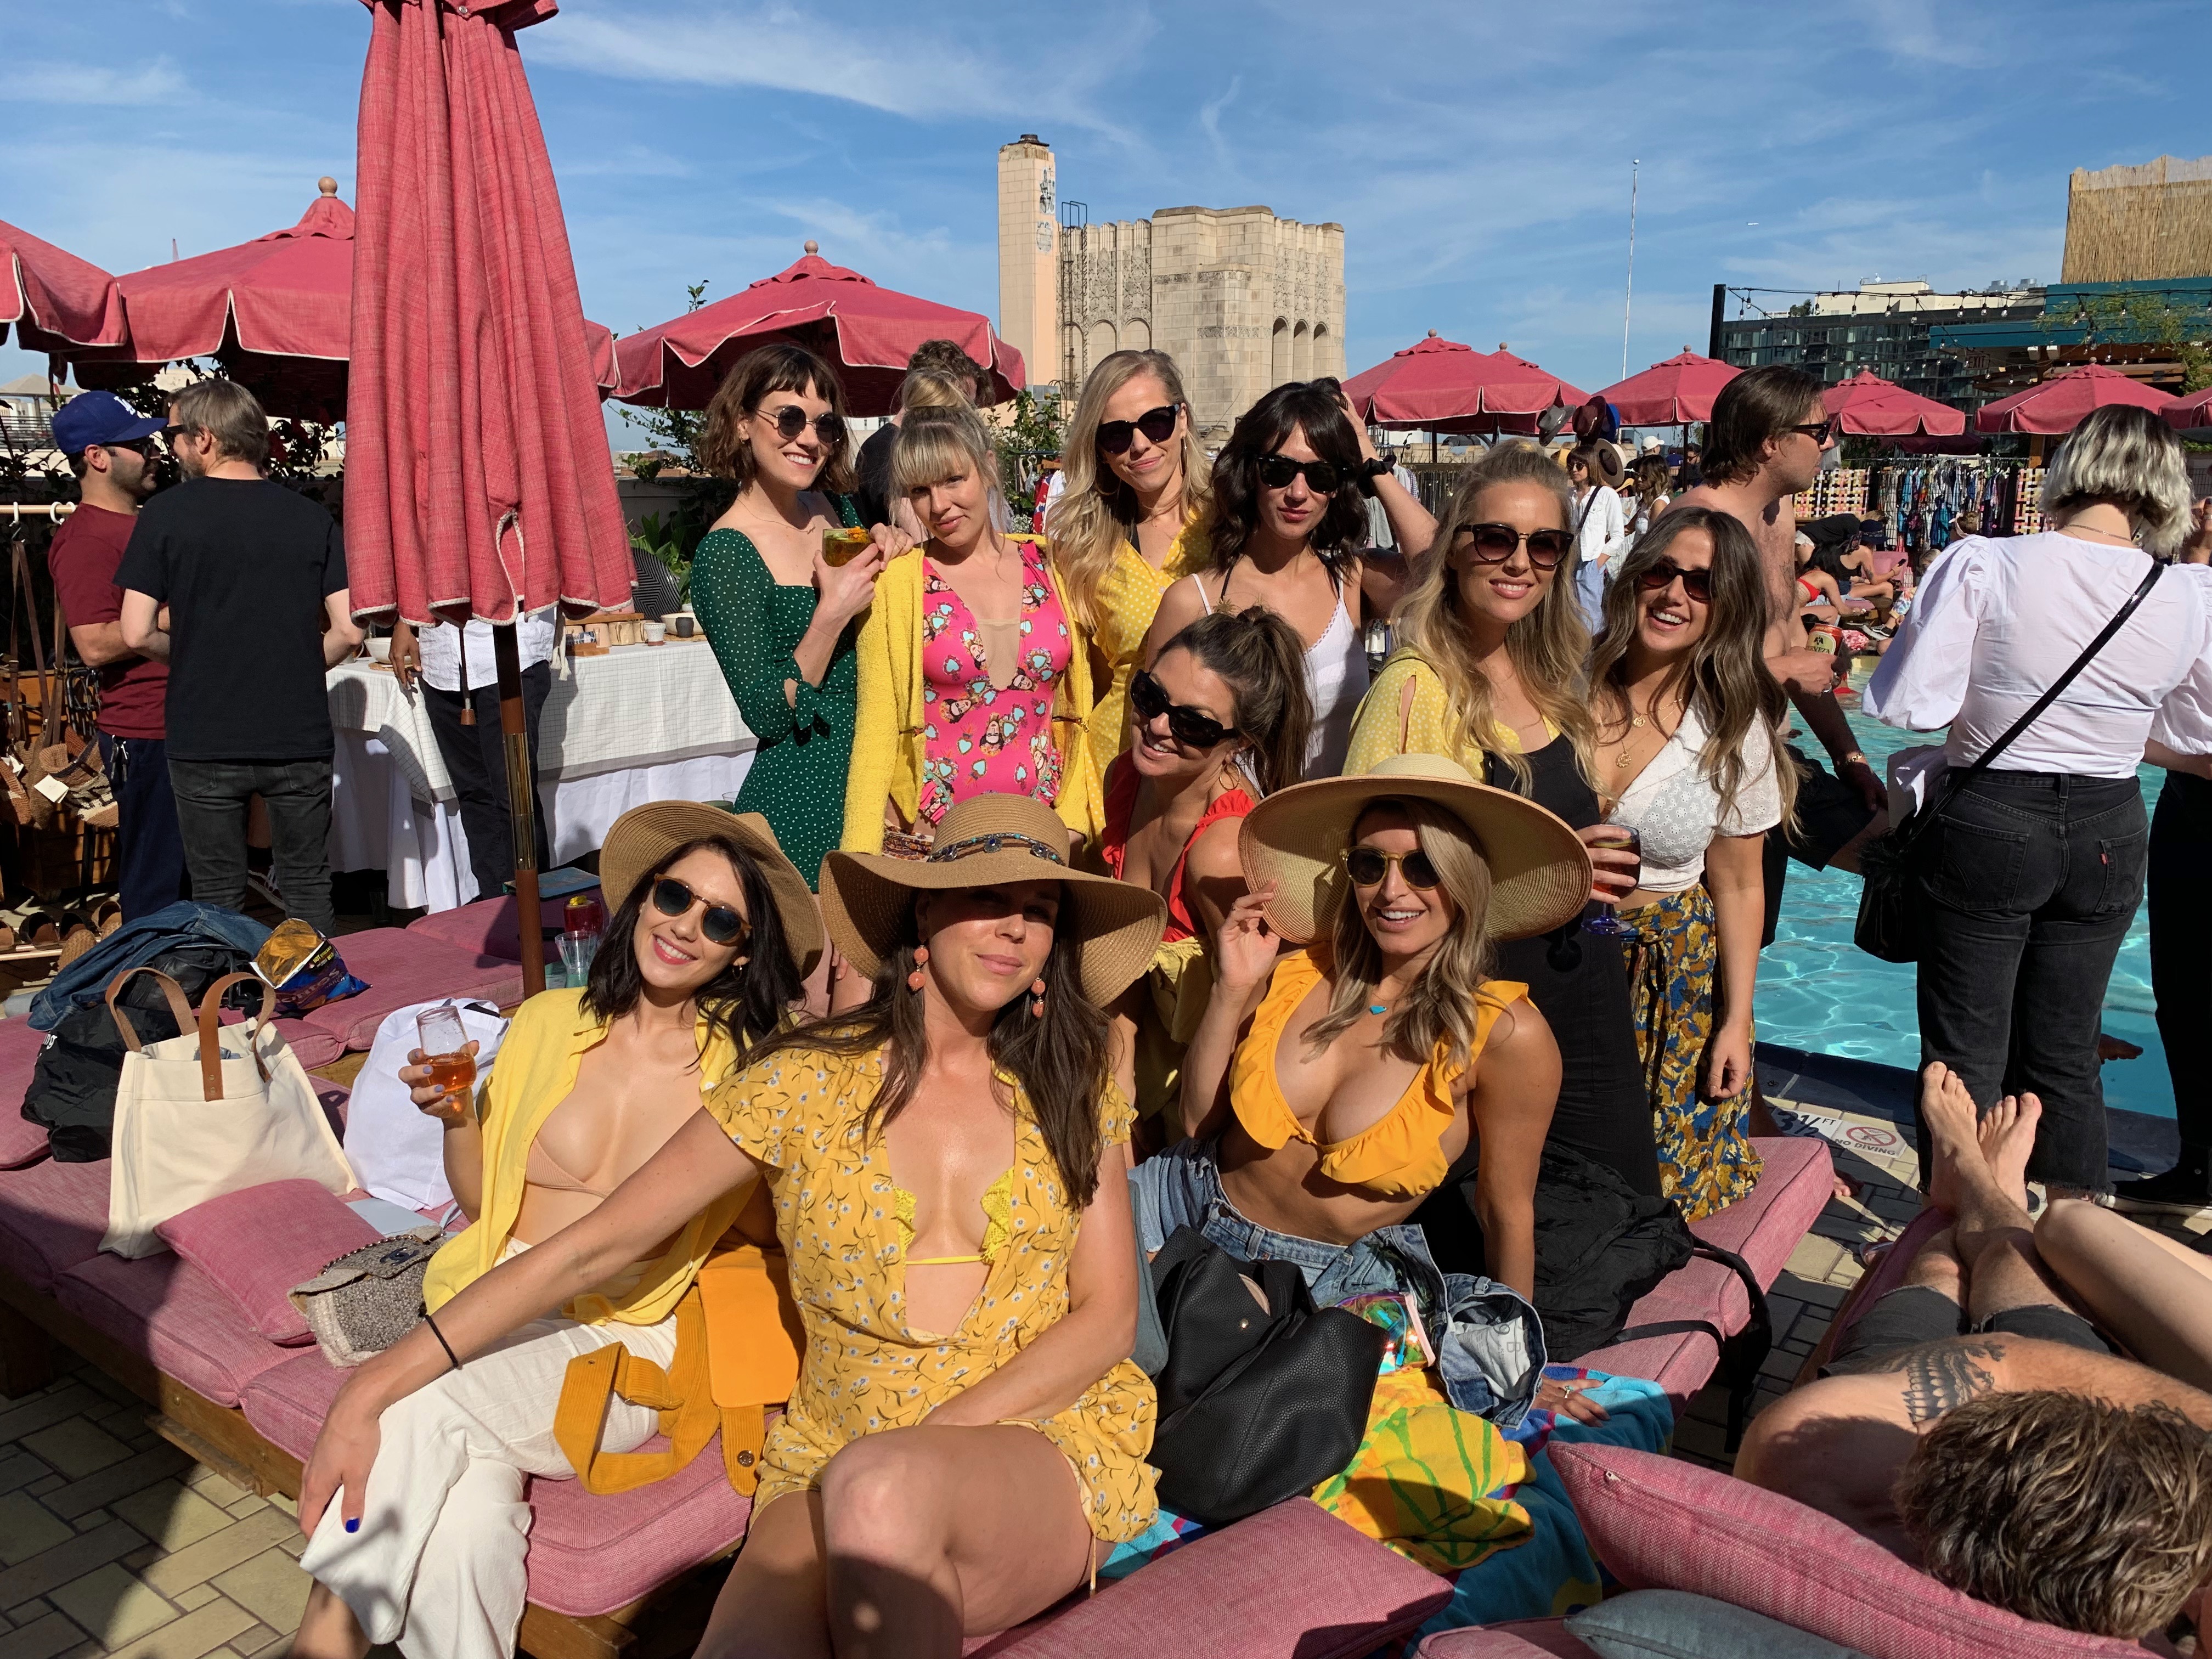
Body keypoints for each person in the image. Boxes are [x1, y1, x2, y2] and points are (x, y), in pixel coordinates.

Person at [298, 793, 1169, 1656]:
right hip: (834, 1446)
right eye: (986, 897)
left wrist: (914, 1452)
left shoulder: (1074, 1085)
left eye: (1040, 911)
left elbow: (1107, 1319)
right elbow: (590, 1248)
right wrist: (372, 1387)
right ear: (923, 912)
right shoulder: (798, 1084)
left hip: (1033, 1435)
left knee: (884, 1485)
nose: (1014, 928)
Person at [290, 801, 820, 1659]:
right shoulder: (546, 1025)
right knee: (466, 1526)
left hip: (621, 1345)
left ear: (743, 951)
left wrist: (366, 1388)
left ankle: (324, 1639)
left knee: (414, 1402)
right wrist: (459, 1119)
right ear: (643, 896)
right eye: (675, 896)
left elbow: (619, 1246)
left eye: (720, 920)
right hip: (495, 1300)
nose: (686, 926)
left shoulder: (749, 1076)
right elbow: (482, 1209)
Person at [1133, 753, 1584, 1424]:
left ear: (1465, 877)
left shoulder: (1505, 1035)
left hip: (1316, 1286)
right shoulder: (1297, 971)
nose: (1392, 891)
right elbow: (1199, 1124)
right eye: (1371, 866)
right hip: (1175, 1207)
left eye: (1424, 866)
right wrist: (1231, 990)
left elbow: (1505, 1211)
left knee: (1223, 1434)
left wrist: (1515, 1361)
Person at [1864, 404, 2212, 1196]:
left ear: (2071, 464)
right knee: (2064, 1054)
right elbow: (2199, 733)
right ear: (2166, 484)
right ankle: (2070, 1248)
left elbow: (1911, 703)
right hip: (2111, 823)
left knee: (1964, 1056)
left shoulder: (1990, 563)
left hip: (1992, 813)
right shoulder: (2189, 592)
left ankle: (1960, 1245)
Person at [1735, 1064, 2212, 1643]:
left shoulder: (1819, 1459)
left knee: (1949, 1267)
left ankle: (1972, 1185)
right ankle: (1988, 1191)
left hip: (2018, 1480)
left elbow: (2009, 1357)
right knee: (2004, 1266)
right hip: (2071, 1494)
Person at [1343, 441, 1660, 1200]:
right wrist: (1545, 871)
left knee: (1618, 1222)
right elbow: (1372, 887)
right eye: (1496, 539)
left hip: (1584, 999)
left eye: (1545, 545)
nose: (1520, 562)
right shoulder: (1413, 692)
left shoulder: (1554, 680)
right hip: (1477, 1017)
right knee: (1509, 1244)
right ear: (1453, 549)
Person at [1585, 509, 1792, 1218]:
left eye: (1702, 584)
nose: (1675, 595)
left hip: (1668, 979)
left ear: (1726, 605)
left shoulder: (1733, 729)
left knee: (1657, 1187)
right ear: (1633, 577)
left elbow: (1738, 885)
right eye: (1661, 572)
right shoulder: (1560, 688)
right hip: (1550, 958)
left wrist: (1737, 1021)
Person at [116, 379, 361, 936]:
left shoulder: (164, 515)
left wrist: (194, 659)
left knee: (217, 892)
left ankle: (229, 1012)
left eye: (176, 435)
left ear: (204, 438)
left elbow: (135, 633)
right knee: (305, 883)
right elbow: (349, 630)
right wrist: (297, 667)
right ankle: (310, 1001)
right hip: (296, 729)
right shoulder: (311, 519)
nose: (169, 448)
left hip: (205, 732)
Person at [688, 344, 909, 889]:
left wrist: (893, 545)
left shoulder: (841, 512)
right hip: (805, 797)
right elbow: (765, 711)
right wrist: (830, 616)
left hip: (878, 775)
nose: (808, 439)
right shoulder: (727, 553)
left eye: (825, 425)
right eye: (789, 418)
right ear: (742, 423)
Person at [1670, 368, 1883, 919]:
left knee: (1907, 857)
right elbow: (1656, 670)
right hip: (1703, 771)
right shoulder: (1698, 526)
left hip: (1767, 758)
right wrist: (1780, 671)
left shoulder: (1778, 513)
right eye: (1820, 429)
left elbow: (1789, 639)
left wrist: (1850, 757)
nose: (1830, 441)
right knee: (1718, 954)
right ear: (1770, 442)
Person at [842, 404, 1098, 854]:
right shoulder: (899, 581)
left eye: (953, 480)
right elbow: (876, 726)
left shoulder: (1056, 565)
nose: (938, 505)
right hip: (933, 838)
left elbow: (1085, 708)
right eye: (920, 490)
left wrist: (1074, 821)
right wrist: (859, 857)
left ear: (988, 468)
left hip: (1039, 832)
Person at [1142, 380, 1427, 778]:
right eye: (1279, 470)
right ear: (1250, 473)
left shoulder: (1353, 580)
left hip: (1336, 836)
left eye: (1321, 475)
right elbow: (1149, 749)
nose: (1298, 492)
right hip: (1230, 835)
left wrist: (1372, 465)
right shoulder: (1191, 602)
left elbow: (1446, 573)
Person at [1094, 606, 1312, 1120]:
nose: (1159, 726)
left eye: (1193, 724)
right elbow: (1127, 984)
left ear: (1239, 744)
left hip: (1207, 1100)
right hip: (1135, 1066)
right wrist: (1113, 1114)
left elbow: (1245, 1025)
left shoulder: (1221, 849)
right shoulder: (1126, 779)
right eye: (1150, 697)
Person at [46, 390, 185, 919]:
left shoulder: (149, 524)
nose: (153, 452)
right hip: (147, 731)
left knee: (197, 876)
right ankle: (153, 993)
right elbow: (95, 644)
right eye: (137, 444)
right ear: (97, 457)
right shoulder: (85, 539)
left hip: (188, 721)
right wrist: (182, 606)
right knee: (157, 882)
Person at [1046, 349, 1213, 774]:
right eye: (1117, 435)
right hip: (1118, 765)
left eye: (1155, 422)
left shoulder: (1228, 522)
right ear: (1100, 450)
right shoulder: (1086, 549)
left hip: (1216, 762)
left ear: (1183, 420)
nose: (1140, 445)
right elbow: (1097, 682)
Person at [2124, 500, 2212, 1209]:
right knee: (2181, 994)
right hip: (2189, 798)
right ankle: (2198, 1161)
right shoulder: (2184, 588)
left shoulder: (2186, 587)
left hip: (2192, 794)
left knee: (2189, 992)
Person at [387, 607, 558, 905]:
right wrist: (405, 622)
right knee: (474, 794)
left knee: (514, 795)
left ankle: (534, 912)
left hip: (509, 650)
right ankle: (495, 906)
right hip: (441, 659)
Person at [853, 340, 988, 534]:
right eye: (963, 403)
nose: (966, 416)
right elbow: (922, 539)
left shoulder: (889, 444)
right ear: (932, 389)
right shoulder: (889, 449)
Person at [1566, 441, 1629, 634]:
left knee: (1591, 615)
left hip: (1591, 560)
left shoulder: (1606, 495)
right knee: (1570, 612)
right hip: (1570, 560)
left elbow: (1618, 535)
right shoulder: (1568, 495)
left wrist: (1599, 562)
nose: (1574, 470)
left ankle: (1592, 656)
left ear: (1590, 466)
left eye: (1579, 465)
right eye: (1571, 466)